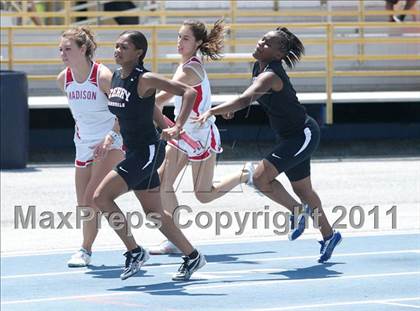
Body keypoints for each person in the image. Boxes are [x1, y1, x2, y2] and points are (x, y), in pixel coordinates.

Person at [196, 27, 342, 263]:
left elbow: (245, 99)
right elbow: (249, 96)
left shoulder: (271, 74)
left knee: (259, 178)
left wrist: (215, 110)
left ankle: (297, 212)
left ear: (278, 54)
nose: (260, 43)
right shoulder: (259, 67)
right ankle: (330, 235)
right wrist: (230, 109)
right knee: (303, 190)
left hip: (301, 135)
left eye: (267, 43)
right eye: (261, 38)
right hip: (289, 137)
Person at [92, 30, 206, 281]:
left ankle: (134, 251)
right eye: (116, 45)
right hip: (134, 150)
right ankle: (193, 256)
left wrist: (176, 126)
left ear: (138, 52)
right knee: (155, 214)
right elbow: (142, 107)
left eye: (124, 47)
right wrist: (112, 136)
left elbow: (189, 92)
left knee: (101, 197)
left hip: (148, 151)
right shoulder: (117, 78)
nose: (117, 50)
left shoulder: (145, 78)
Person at [148, 18, 254, 255]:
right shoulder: (184, 65)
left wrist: (129, 109)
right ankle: (176, 240)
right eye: (178, 36)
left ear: (197, 43)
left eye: (185, 38)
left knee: (203, 194)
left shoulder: (190, 69)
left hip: (201, 137)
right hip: (182, 135)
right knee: (161, 185)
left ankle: (246, 174)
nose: (179, 42)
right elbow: (193, 99)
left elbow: (160, 98)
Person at [57, 26, 125, 267]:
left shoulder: (103, 76)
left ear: (83, 49)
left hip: (110, 142)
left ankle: (88, 249)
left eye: (68, 49)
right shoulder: (63, 79)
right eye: (60, 50)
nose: (62, 54)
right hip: (83, 144)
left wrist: (110, 135)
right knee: (84, 204)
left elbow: (123, 112)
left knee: (93, 199)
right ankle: (89, 250)